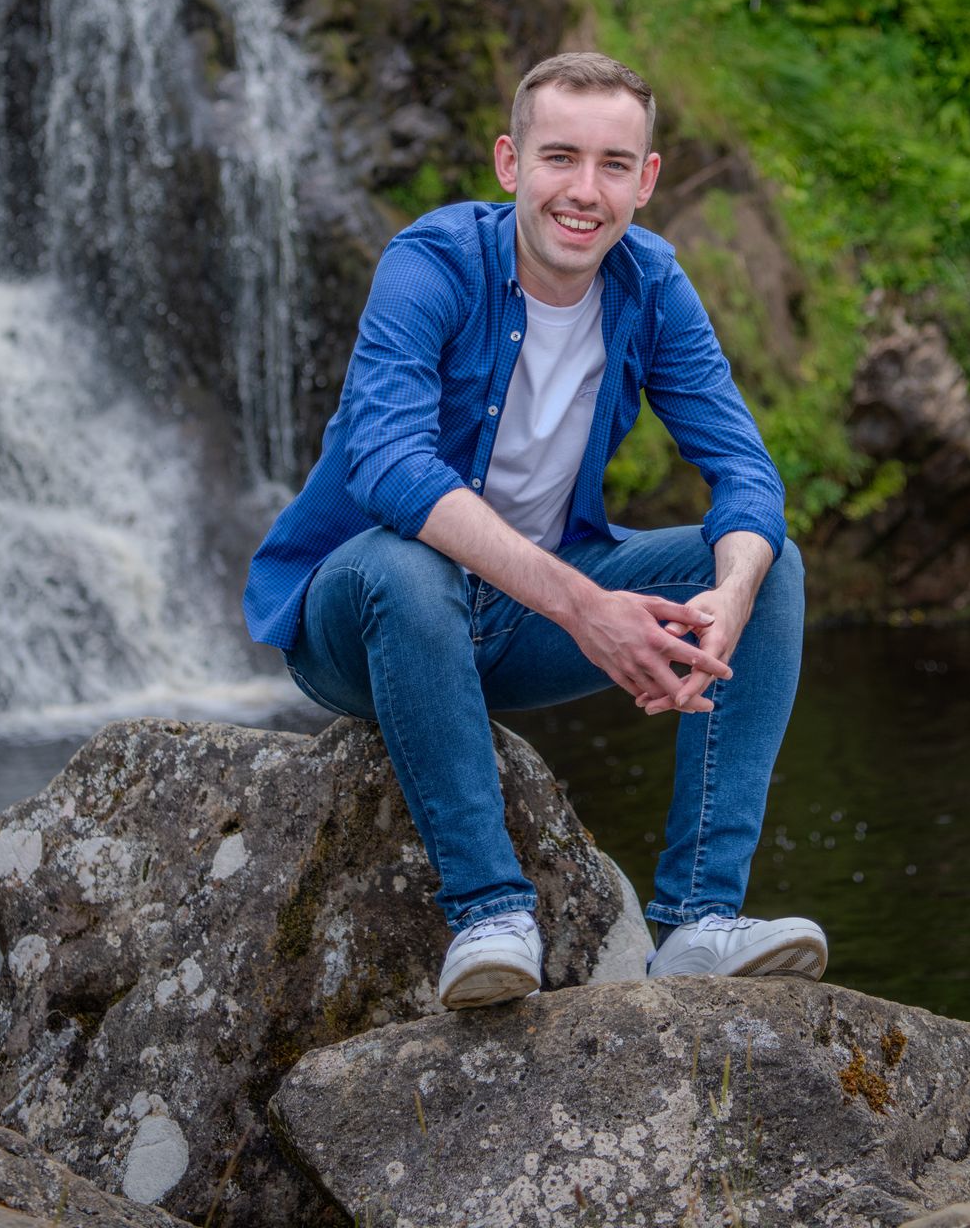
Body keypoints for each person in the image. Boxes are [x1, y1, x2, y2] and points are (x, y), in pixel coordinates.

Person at [243, 51, 826, 1009]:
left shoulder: (650, 283)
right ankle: (490, 914)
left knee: (775, 568)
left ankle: (698, 921)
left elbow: (745, 472)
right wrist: (586, 607)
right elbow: (387, 464)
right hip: (363, 620)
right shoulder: (433, 262)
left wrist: (729, 594)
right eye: (560, 158)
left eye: (612, 164)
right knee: (406, 564)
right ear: (511, 163)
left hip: (521, 625)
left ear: (646, 180)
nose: (583, 191)